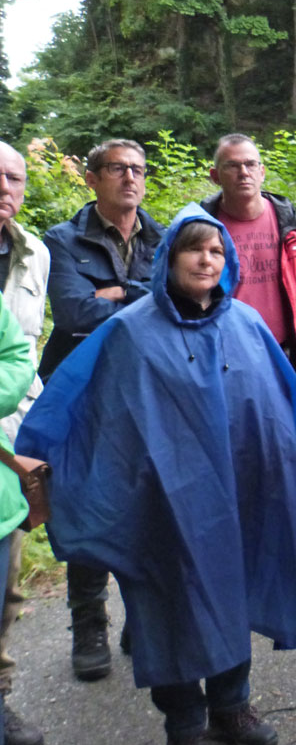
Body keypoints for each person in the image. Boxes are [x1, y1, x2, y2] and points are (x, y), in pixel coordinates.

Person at [17, 205, 296, 745]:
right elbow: (98, 413)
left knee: (233, 588)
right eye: (194, 249)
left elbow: (277, 410)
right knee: (167, 603)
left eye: (217, 250)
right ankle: (184, 724)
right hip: (162, 500)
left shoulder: (245, 324)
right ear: (169, 259)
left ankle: (231, 705)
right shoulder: (133, 331)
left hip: (238, 494)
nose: (206, 259)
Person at [200, 133, 296, 618]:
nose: (244, 172)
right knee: (225, 472)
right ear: (215, 173)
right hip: (221, 368)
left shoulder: (293, 225)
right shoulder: (199, 228)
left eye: (251, 164)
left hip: (288, 361)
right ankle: (226, 582)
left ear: (263, 171)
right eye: (232, 165)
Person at [38, 138, 164, 683]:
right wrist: (141, 295)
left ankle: (144, 616)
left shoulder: (163, 235)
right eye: (117, 169)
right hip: (84, 388)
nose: (129, 178)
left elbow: (182, 299)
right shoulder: (62, 239)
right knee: (88, 500)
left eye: (137, 169)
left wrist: (117, 293)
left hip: (149, 387)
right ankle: (88, 623)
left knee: (149, 500)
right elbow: (72, 311)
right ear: (92, 178)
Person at [0, 143, 48, 745]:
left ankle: (2, 696)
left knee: (8, 585)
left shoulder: (34, 252)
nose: (3, 187)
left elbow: (22, 350)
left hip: (16, 430)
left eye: (14, 177)